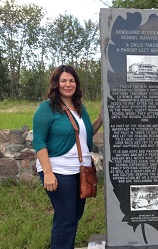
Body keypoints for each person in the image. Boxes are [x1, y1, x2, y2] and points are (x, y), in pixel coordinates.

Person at [32, 65, 102, 249]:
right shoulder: (46, 109)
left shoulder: (80, 107)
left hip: (81, 170)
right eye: (63, 80)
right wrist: (48, 173)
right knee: (66, 218)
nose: (67, 84)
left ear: (76, 84)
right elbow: (39, 141)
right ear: (56, 83)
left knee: (75, 216)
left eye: (71, 80)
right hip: (58, 169)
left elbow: (86, 134)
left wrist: (101, 117)